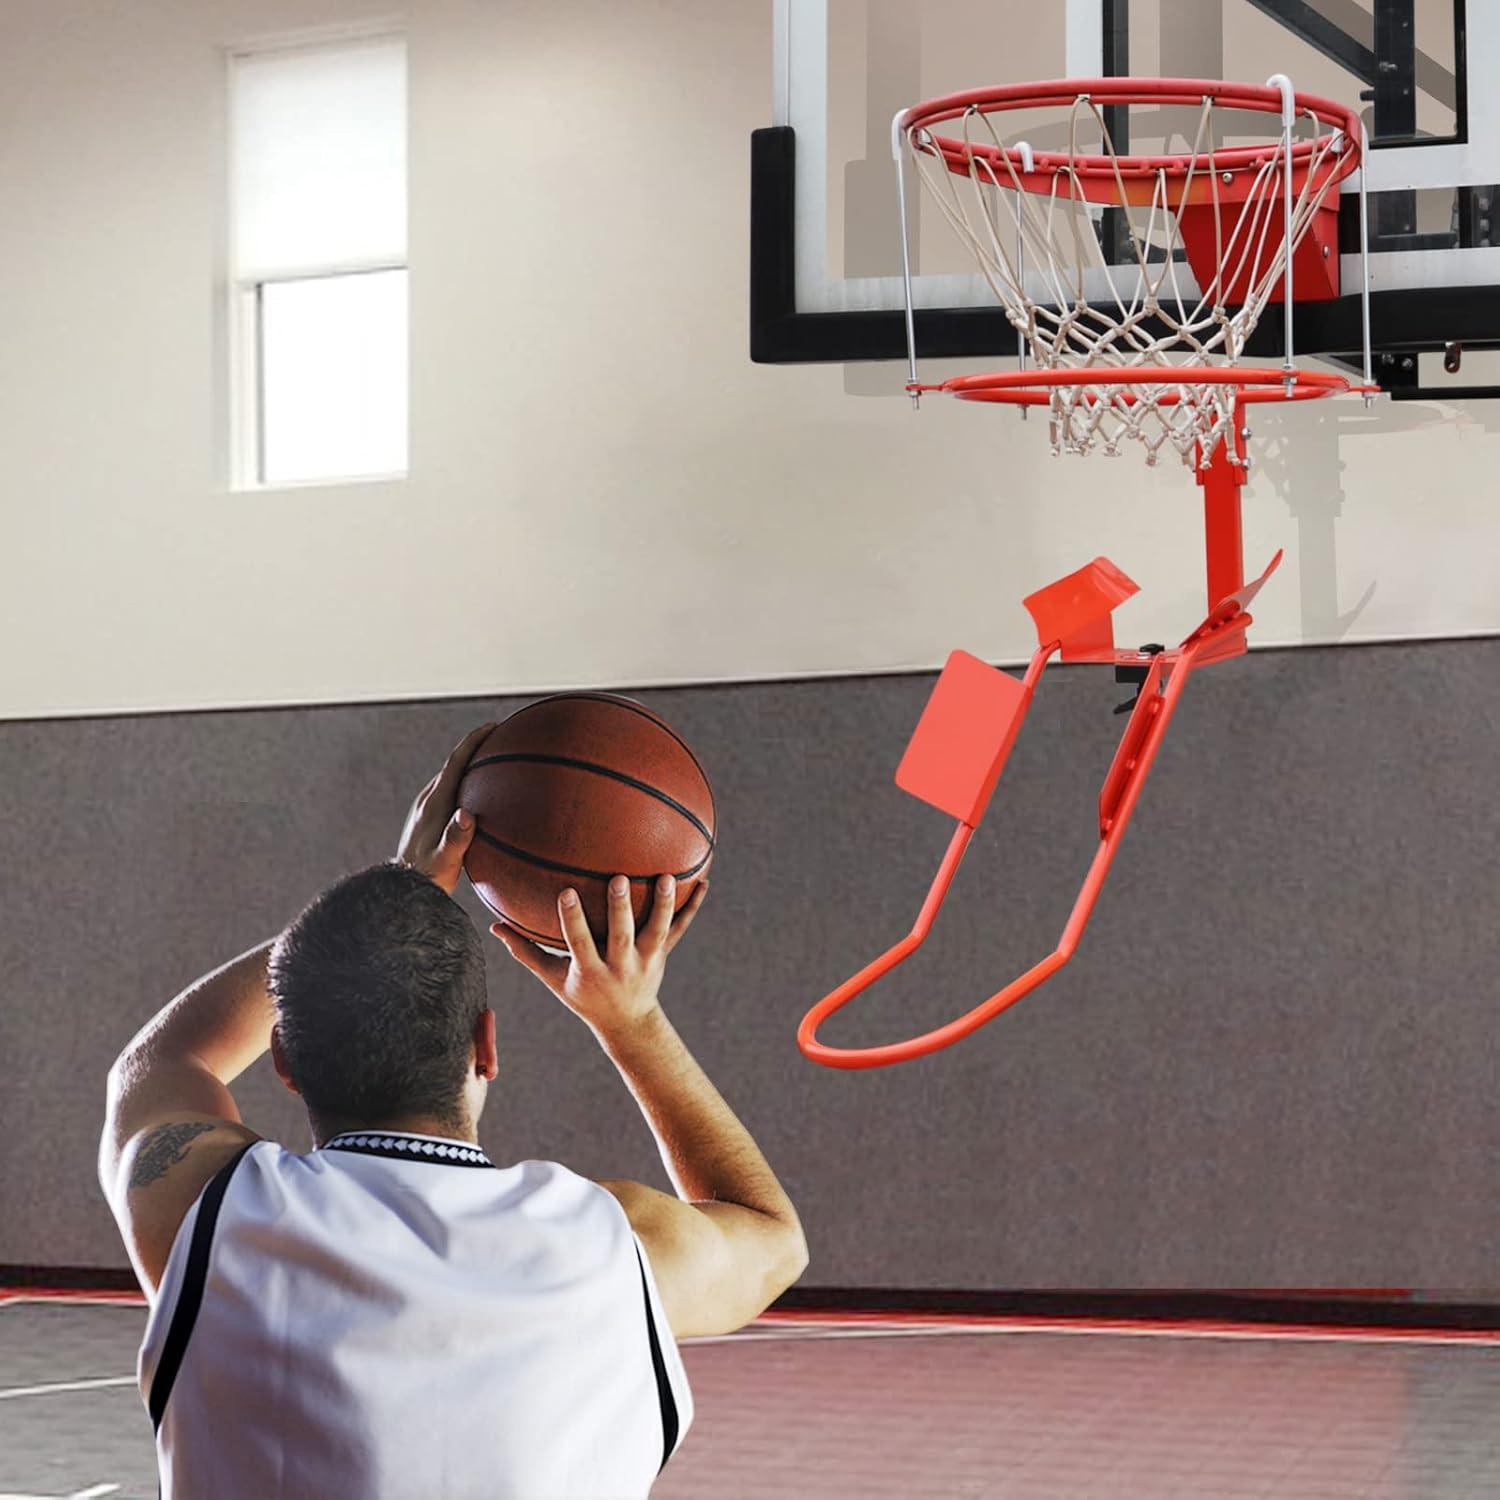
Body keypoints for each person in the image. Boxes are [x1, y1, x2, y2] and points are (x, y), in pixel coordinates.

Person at [99, 723, 808, 1499]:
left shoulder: (213, 1215)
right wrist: (630, 1021)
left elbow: (165, 1061)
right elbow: (771, 1236)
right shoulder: (612, 1249)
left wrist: (402, 886)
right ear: (486, 1046)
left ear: (284, 1062)